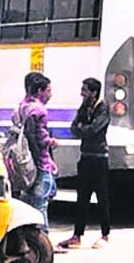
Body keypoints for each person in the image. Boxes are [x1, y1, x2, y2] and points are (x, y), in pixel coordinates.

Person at [59, 78, 112, 250]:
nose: (82, 93)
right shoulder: (84, 107)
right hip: (86, 157)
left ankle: (105, 234)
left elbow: (93, 130)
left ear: (94, 92)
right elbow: (74, 128)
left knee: (102, 198)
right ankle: (77, 235)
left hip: (99, 158)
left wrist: (84, 129)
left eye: (85, 90)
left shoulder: (102, 108)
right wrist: (82, 129)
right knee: (82, 198)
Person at [15, 71, 64, 250]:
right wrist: (51, 143)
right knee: (40, 203)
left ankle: (25, 239)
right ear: (40, 91)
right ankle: (44, 242)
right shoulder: (39, 110)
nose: (50, 94)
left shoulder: (22, 106)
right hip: (39, 163)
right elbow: (39, 139)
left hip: (26, 162)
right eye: (48, 90)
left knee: (28, 201)